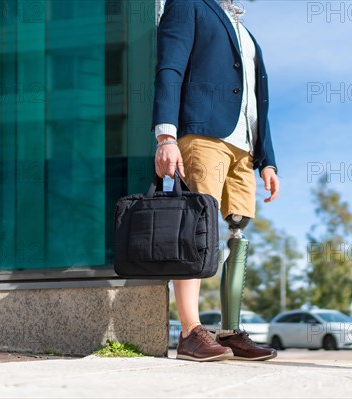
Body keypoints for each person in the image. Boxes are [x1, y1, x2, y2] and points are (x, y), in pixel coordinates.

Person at [152, 0, 279, 361]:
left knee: (237, 234)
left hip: (244, 148)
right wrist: (166, 136)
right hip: (204, 134)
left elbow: (258, 102)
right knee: (195, 229)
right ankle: (190, 332)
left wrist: (268, 160)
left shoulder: (248, 35)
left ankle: (230, 330)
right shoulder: (189, 5)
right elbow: (170, 68)